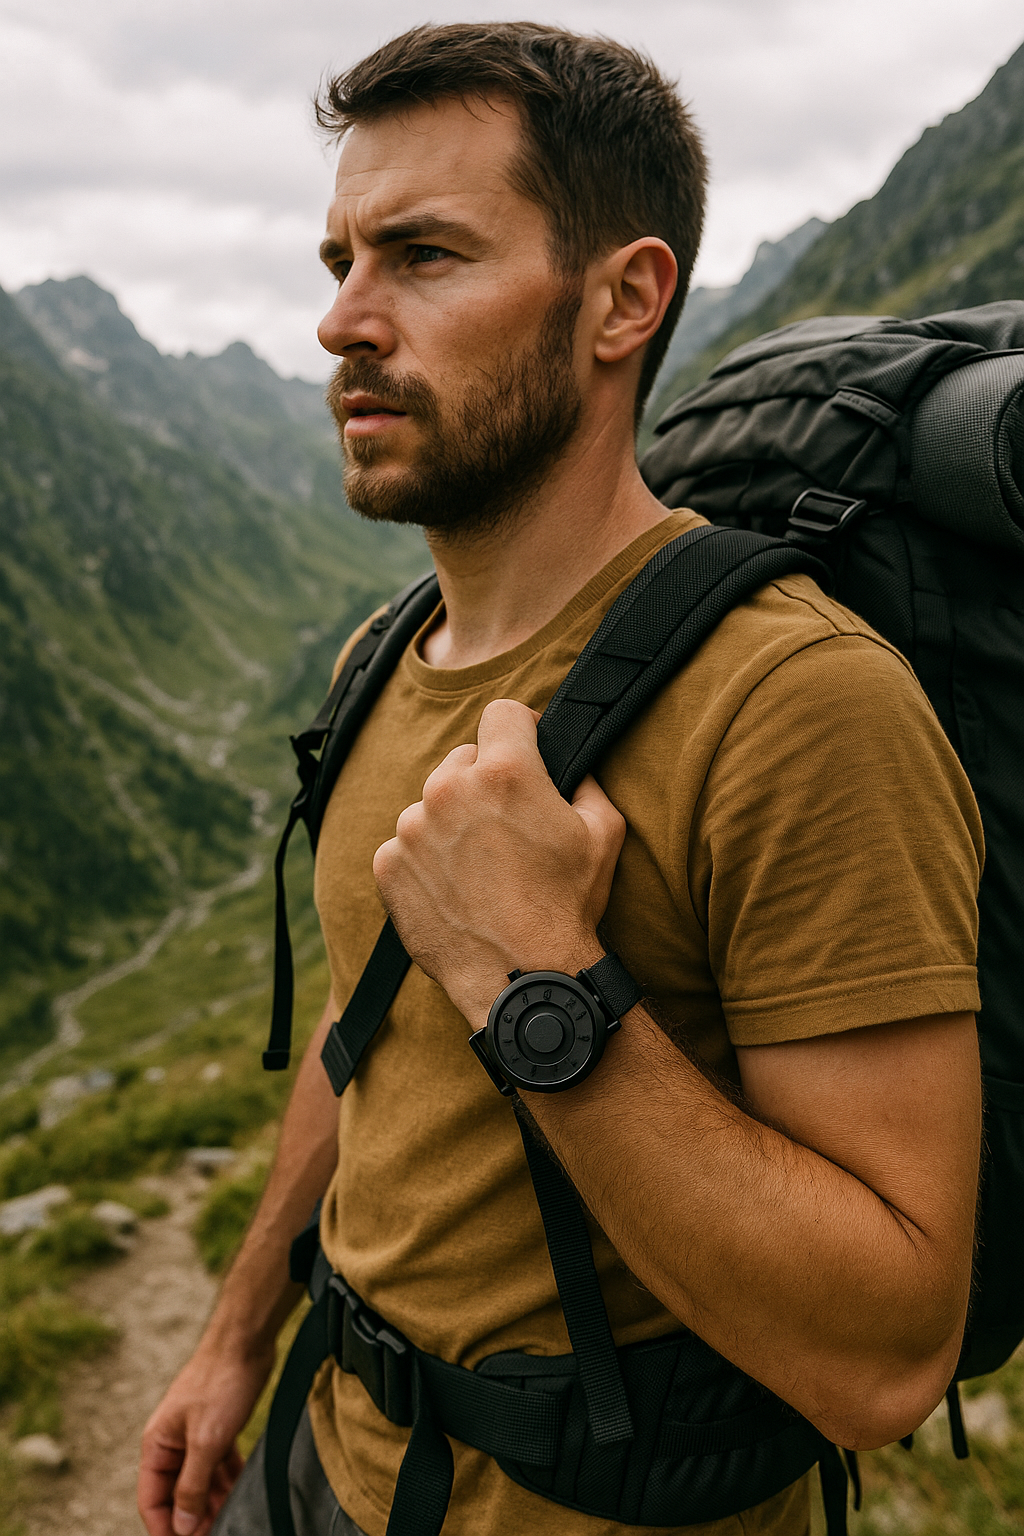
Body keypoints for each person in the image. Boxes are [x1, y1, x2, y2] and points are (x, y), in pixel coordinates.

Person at [138, 23, 983, 1536]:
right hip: (323, 1455)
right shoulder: (382, 654)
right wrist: (236, 1334)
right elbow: (365, 1023)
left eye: (423, 255)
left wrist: (535, 979)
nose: (341, 320)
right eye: (339, 259)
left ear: (622, 301)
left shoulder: (799, 704)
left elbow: (887, 1358)